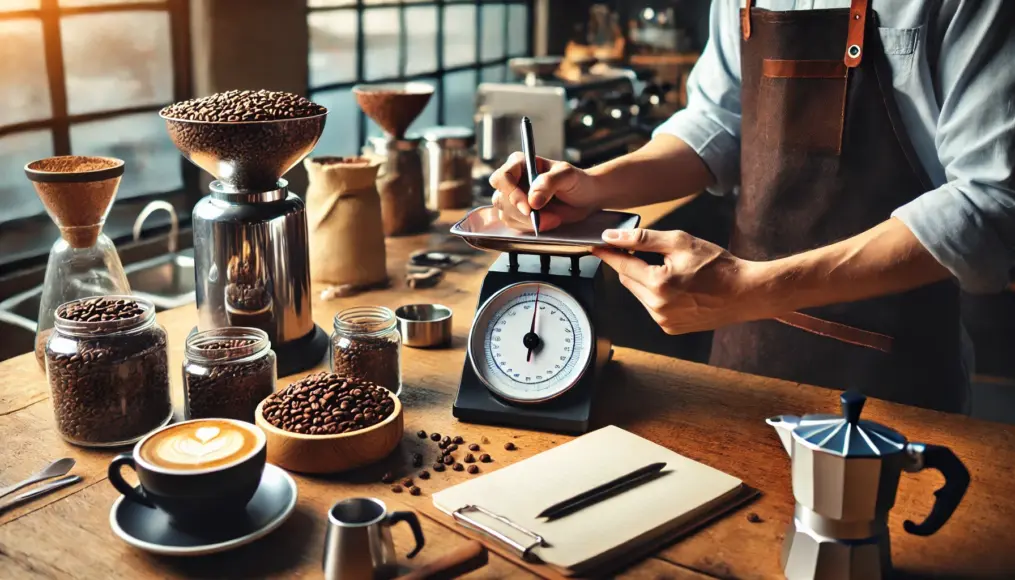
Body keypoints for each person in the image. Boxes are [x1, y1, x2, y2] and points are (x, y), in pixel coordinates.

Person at [488, 0, 1015, 413]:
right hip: (745, 364)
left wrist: (751, 288)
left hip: (892, 384)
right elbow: (716, 123)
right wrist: (594, 186)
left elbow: (992, 202)